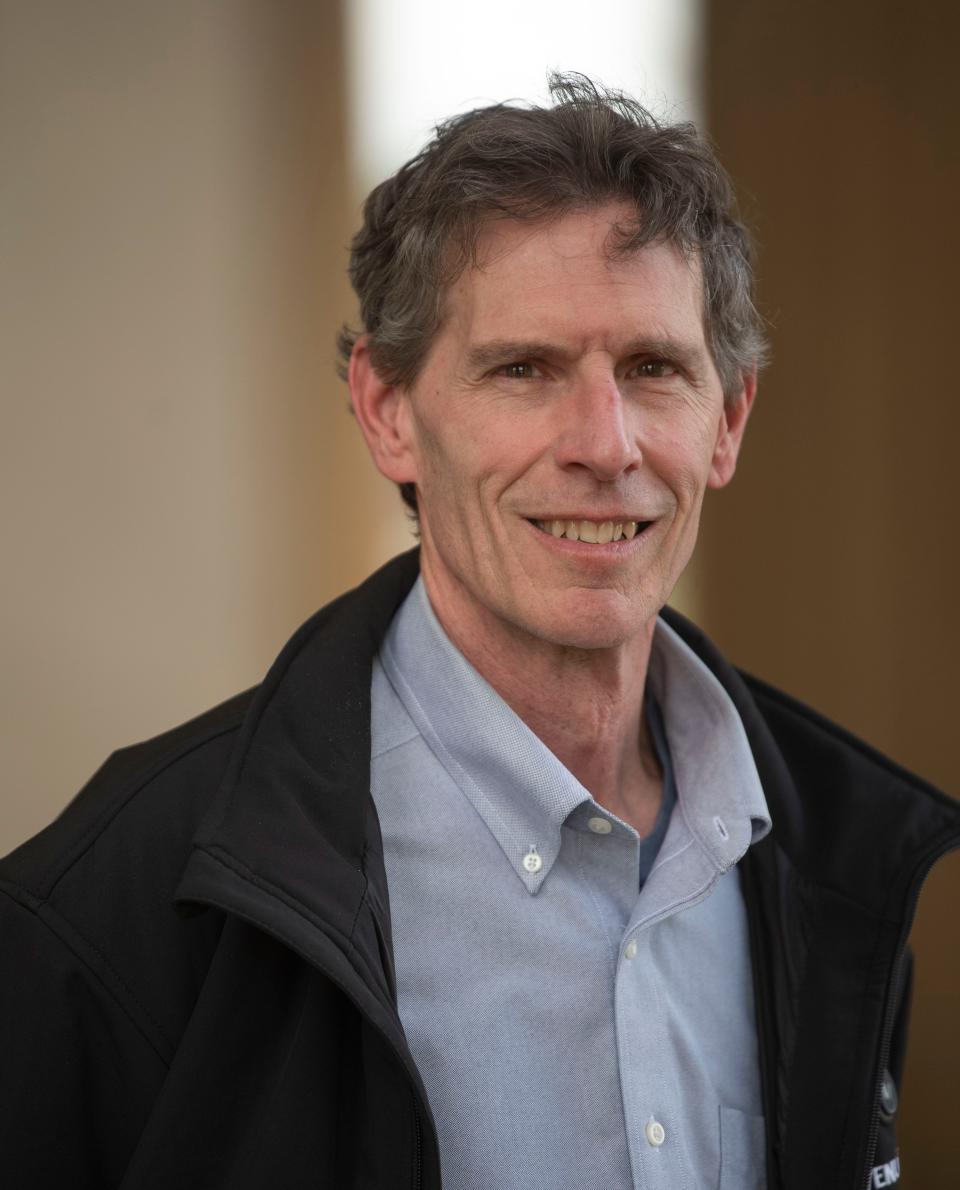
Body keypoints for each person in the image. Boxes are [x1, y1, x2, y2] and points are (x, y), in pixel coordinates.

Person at [1, 73, 955, 1190]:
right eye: (523, 369)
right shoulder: (108, 912)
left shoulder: (832, 863)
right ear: (388, 410)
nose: (605, 443)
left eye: (653, 368)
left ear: (727, 419)